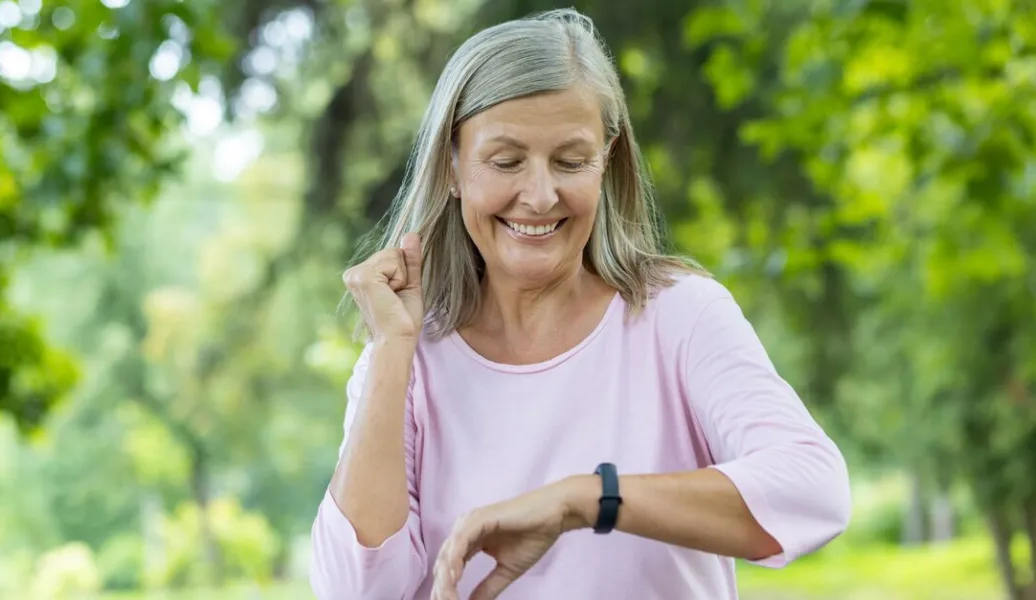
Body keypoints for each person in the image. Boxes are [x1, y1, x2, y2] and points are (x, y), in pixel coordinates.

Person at [308, 8, 851, 600]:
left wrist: (585, 500)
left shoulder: (678, 317)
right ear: (453, 166)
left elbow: (812, 491)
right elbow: (356, 591)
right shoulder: (410, 361)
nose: (540, 196)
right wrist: (392, 349)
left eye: (570, 161)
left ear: (607, 162)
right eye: (506, 161)